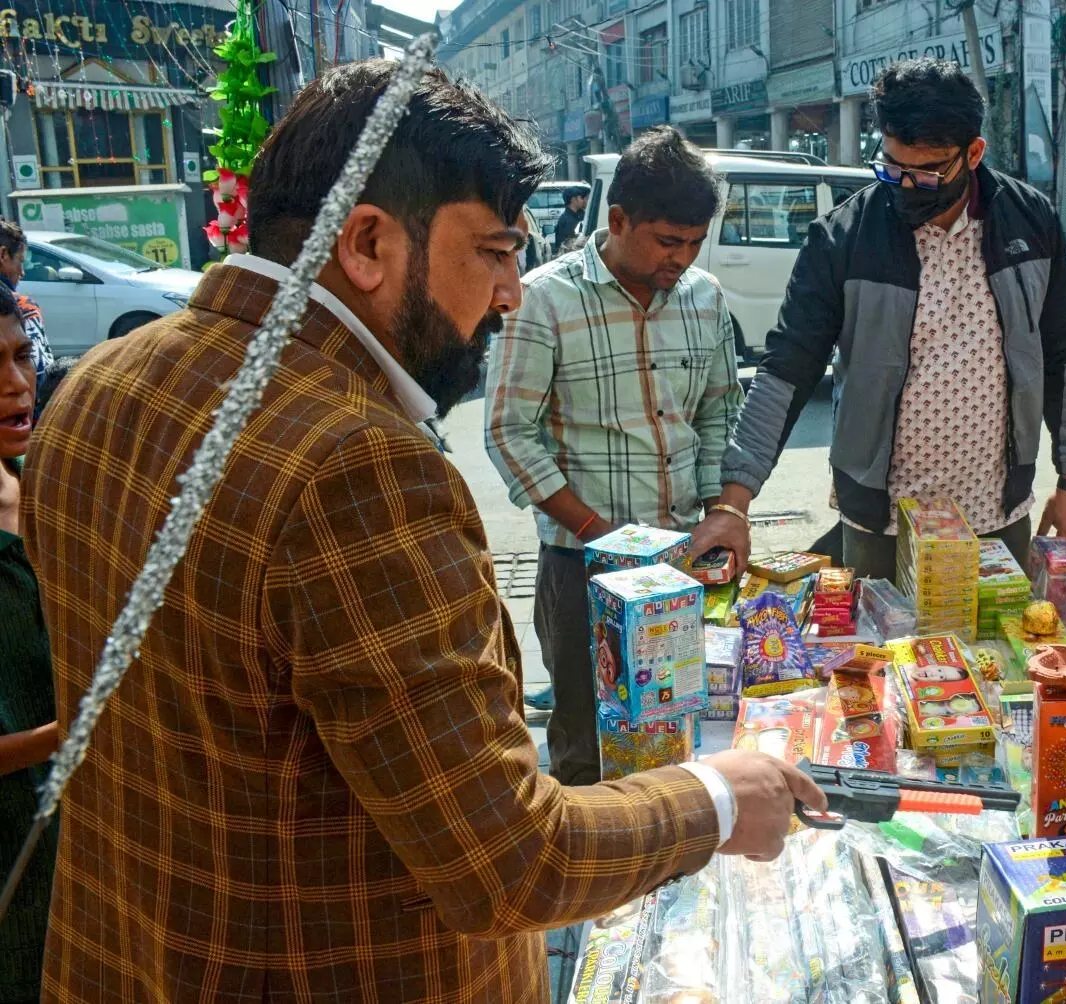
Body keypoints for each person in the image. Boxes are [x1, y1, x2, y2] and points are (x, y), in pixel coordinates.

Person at [21, 62, 822, 1003]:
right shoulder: (357, 462)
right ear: (368, 242)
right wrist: (718, 797)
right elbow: (511, 861)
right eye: (493, 251)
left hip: (127, 959)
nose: (510, 293)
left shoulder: (99, 381)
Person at [698, 59, 1066, 579]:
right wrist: (733, 504)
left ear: (974, 153)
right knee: (875, 634)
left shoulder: (1031, 222)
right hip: (881, 523)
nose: (906, 186)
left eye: (926, 174)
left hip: (996, 515)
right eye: (891, 167)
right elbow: (785, 371)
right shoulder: (842, 238)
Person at [485, 127, 743, 785]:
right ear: (619, 219)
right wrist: (603, 537)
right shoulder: (543, 299)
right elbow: (510, 433)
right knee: (586, 743)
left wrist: (720, 513)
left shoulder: (705, 297)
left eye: (694, 242)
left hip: (683, 562)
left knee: (681, 732)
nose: (682, 258)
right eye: (668, 241)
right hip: (581, 569)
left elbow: (718, 414)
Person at [0, 284, 57, 1004]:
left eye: (21, 356)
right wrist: (68, 734)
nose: (16, 383)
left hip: (62, 854)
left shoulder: (40, 486)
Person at [0, 221, 50, 396]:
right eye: (20, 261)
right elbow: (40, 371)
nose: (21, 272)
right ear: (3, 255)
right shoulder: (23, 307)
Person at [553, 183, 590, 250]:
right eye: (580, 198)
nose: (582, 201)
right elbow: (567, 244)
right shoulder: (567, 220)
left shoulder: (575, 215)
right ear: (573, 199)